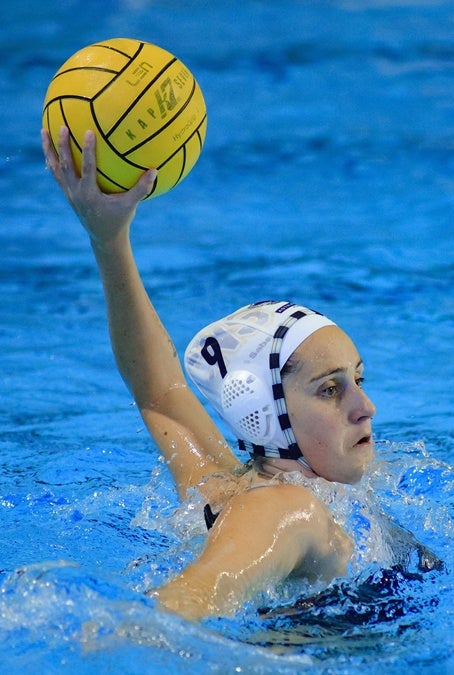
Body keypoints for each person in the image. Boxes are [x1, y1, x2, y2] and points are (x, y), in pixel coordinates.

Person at [42, 126, 390, 621]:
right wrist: (112, 636)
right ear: (263, 417)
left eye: (359, 379)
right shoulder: (288, 510)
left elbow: (158, 390)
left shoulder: (220, 487)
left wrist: (108, 237)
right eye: (330, 390)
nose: (365, 406)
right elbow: (195, 596)